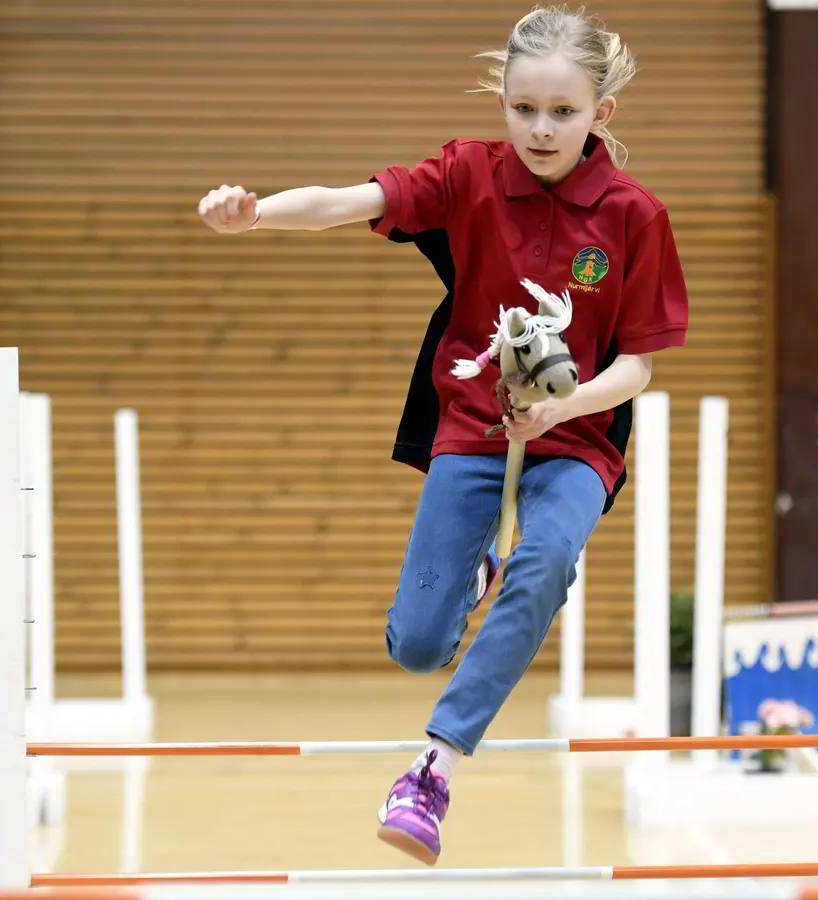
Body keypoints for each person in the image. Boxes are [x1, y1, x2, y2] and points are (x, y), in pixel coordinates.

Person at [196, 5, 689, 866]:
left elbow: (637, 370)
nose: (541, 128)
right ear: (501, 99)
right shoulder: (466, 175)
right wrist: (255, 214)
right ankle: (477, 580)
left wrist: (560, 411)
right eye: (523, 107)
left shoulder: (634, 216)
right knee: (419, 644)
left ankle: (433, 767)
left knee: (549, 554)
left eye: (563, 112)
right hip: (469, 431)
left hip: (577, 444)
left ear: (600, 113)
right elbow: (348, 201)